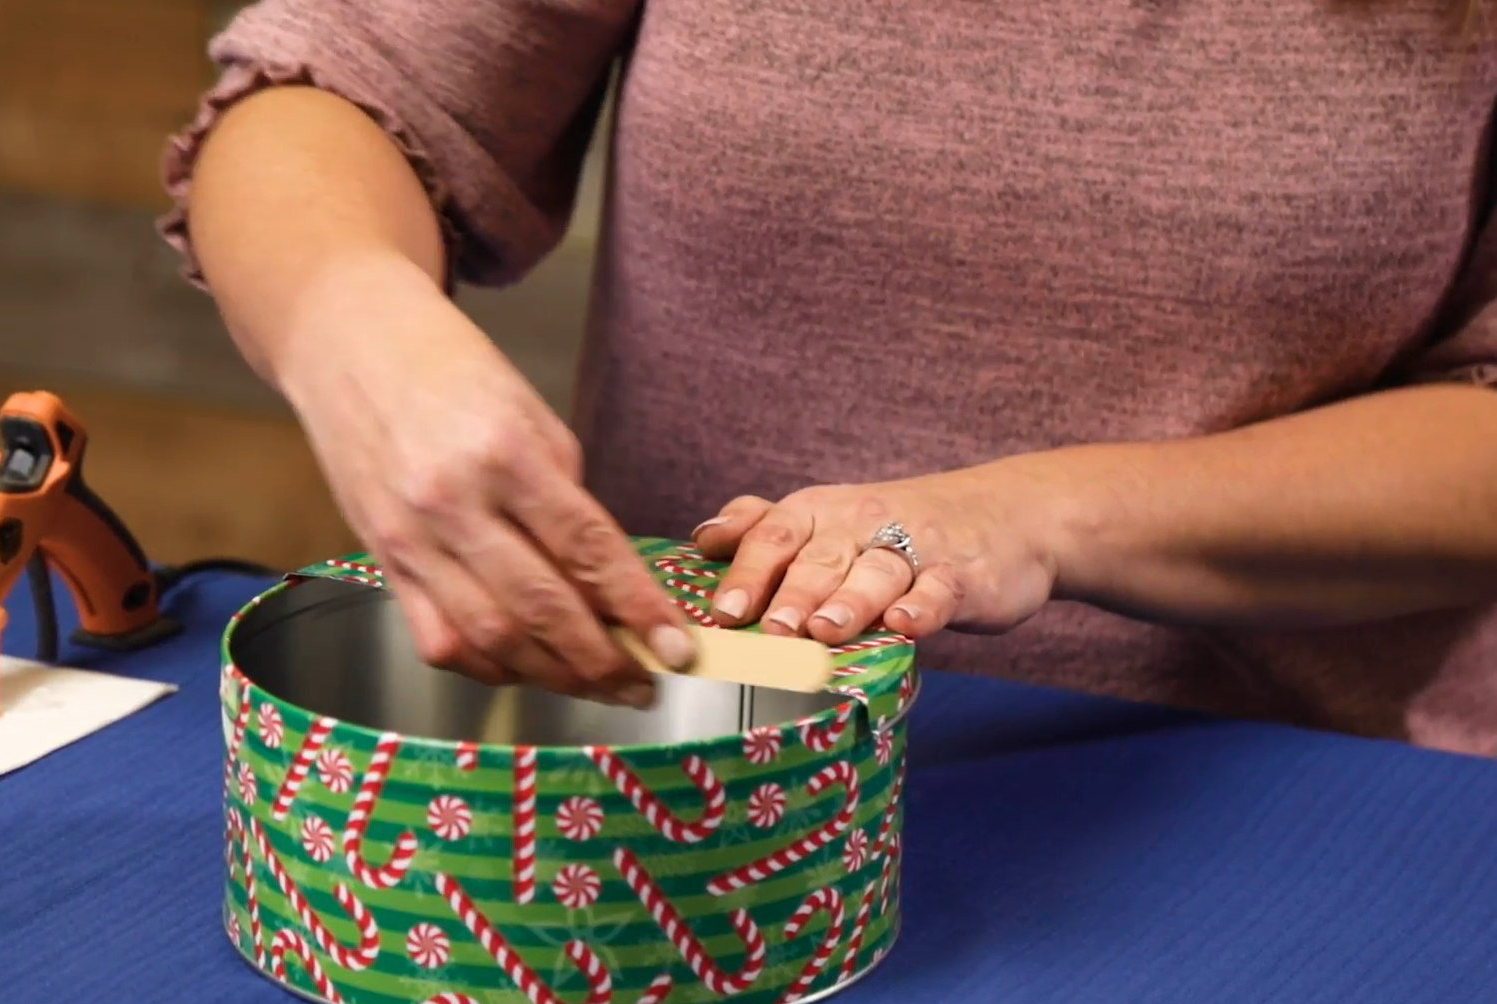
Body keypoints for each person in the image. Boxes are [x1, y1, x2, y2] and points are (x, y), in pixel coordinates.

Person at [159, 0, 1497, 756]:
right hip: (666, 761)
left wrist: (1030, 519)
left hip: (1293, 784)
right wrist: (355, 325)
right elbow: (322, 94)